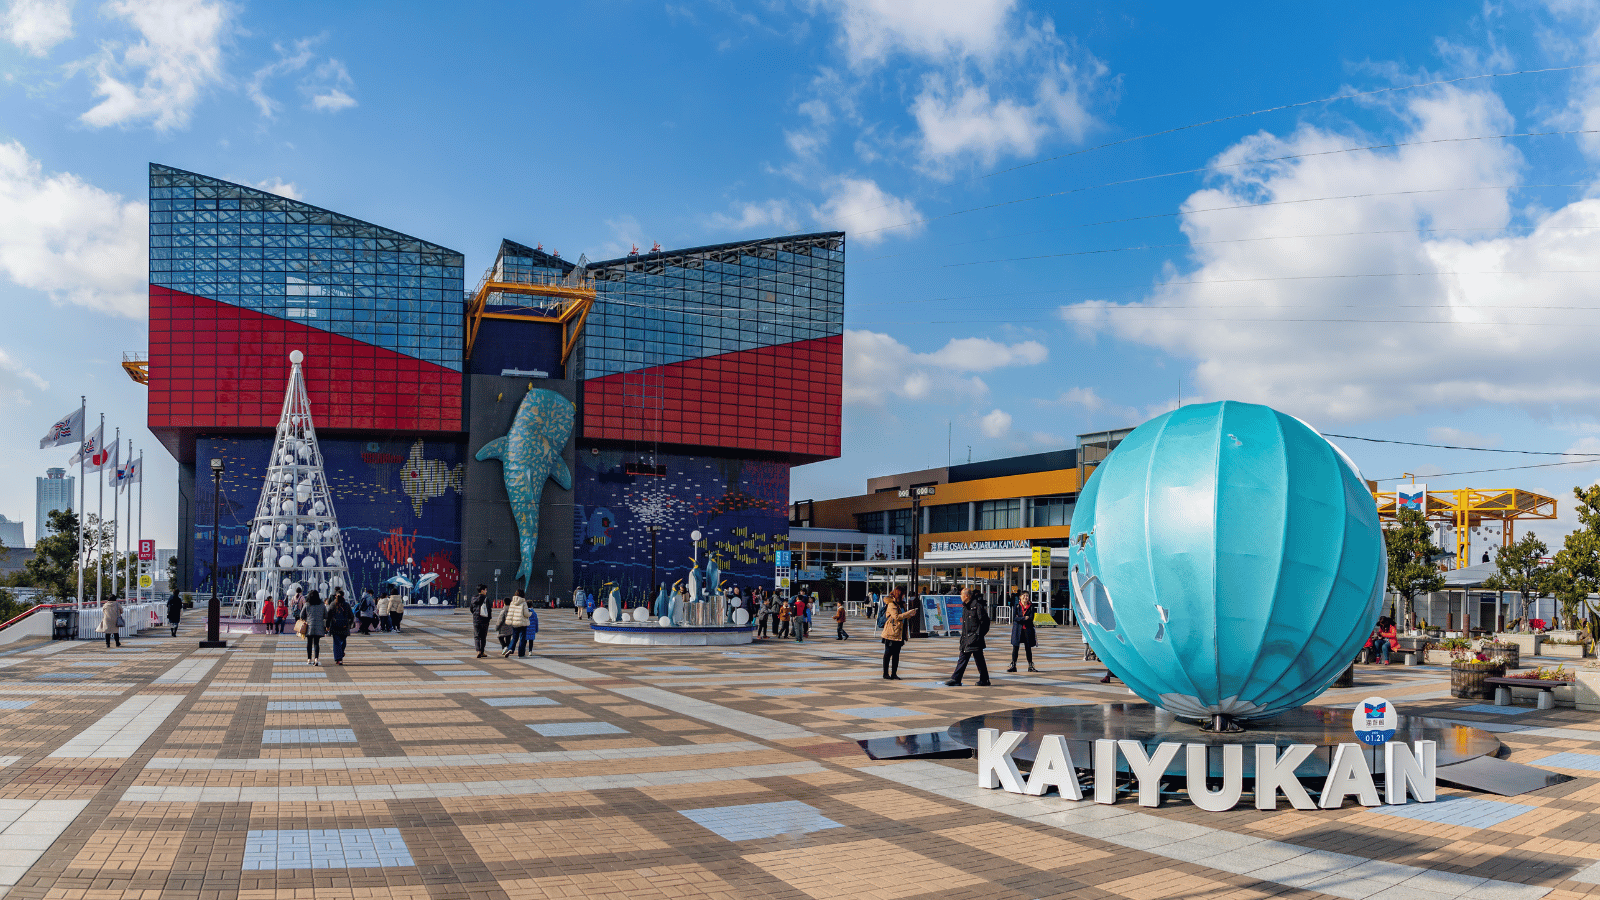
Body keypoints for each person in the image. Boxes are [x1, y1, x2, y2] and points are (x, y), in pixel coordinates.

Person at [945, 587, 992, 686]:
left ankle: (957, 679)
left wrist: (978, 635)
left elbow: (985, 623)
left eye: (962, 594)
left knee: (969, 658)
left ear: (967, 596)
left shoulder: (977, 606)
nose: (960, 596)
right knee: (975, 659)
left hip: (974, 639)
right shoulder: (966, 606)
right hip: (967, 638)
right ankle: (984, 679)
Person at [880, 588, 915, 680]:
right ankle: (885, 673)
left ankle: (894, 674)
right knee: (888, 653)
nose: (904, 596)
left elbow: (903, 616)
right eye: (903, 594)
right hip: (891, 632)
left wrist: (910, 614)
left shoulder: (902, 604)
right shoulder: (891, 604)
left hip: (900, 632)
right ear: (899, 594)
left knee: (896, 654)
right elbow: (896, 617)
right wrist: (908, 613)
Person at [1006, 592, 1039, 673]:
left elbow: (1031, 618)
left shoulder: (1031, 606)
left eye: (1027, 596)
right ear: (1020, 597)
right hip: (1018, 630)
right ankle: (1013, 665)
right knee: (1015, 647)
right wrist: (1024, 618)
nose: (1025, 597)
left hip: (1027, 629)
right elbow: (1014, 618)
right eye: (1024, 596)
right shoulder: (1017, 606)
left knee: (1028, 648)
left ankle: (1030, 665)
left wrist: (1020, 618)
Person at [327, 589, 354, 665]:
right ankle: (341, 654)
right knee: (343, 642)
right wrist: (349, 624)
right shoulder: (347, 605)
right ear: (343, 596)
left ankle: (338, 659)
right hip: (344, 627)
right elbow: (351, 616)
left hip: (335, 627)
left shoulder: (332, 604)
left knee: (336, 643)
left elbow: (328, 616)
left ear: (336, 596)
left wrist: (327, 626)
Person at [502, 589, 531, 657]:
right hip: (522, 624)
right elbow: (526, 614)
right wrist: (530, 613)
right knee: (522, 639)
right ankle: (521, 653)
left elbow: (510, 613)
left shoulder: (512, 602)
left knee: (514, 638)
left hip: (515, 623)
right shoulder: (524, 603)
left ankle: (510, 648)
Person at [302, 590, 326, 666]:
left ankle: (309, 659)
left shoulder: (307, 604)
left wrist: (307, 618)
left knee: (309, 643)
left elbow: (301, 615)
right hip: (319, 626)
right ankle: (316, 659)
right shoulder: (322, 604)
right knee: (316, 643)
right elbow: (326, 615)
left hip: (309, 626)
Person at [470, 584, 494, 657]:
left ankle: (478, 651)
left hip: (476, 620)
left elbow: (471, 609)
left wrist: (475, 615)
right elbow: (489, 609)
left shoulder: (473, 598)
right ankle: (482, 651)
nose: (486, 591)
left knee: (477, 636)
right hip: (484, 620)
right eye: (486, 590)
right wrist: (489, 618)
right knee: (483, 637)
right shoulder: (486, 599)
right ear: (482, 590)